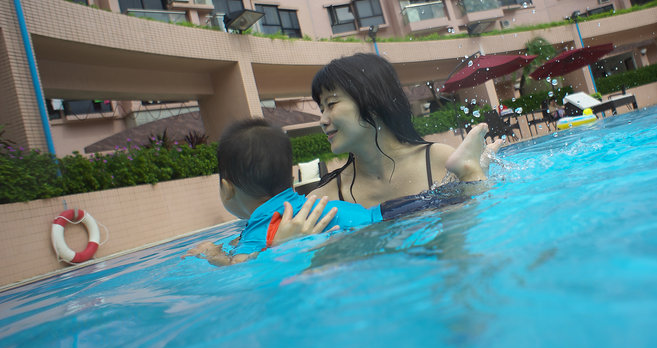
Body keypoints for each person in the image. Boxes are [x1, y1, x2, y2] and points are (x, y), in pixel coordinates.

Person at [186, 117, 494, 266]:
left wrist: (214, 256)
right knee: (438, 201)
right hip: (378, 214)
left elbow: (241, 267)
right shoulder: (305, 202)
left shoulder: (262, 227)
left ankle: (472, 174)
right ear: (290, 177)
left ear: (227, 189)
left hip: (366, 236)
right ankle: (472, 171)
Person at [311, 53, 498, 208]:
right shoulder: (326, 198)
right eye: (321, 109)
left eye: (331, 104)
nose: (322, 121)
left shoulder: (440, 161)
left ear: (371, 104)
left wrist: (472, 175)